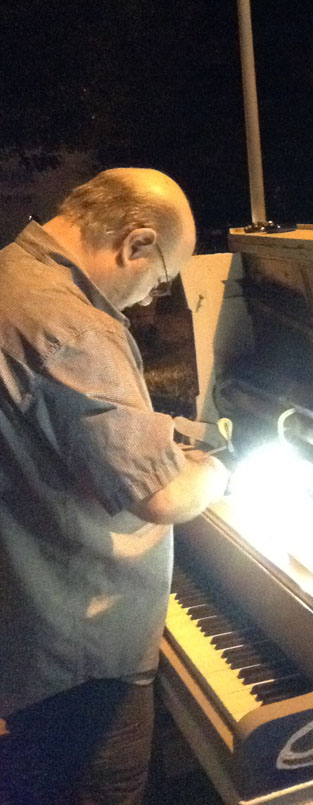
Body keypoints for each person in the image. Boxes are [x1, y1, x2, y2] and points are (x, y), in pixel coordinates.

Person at [0, 168, 230, 802]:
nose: (145, 301)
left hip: (28, 632)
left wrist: (167, 436)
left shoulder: (12, 274)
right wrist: (217, 472)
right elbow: (163, 496)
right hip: (82, 657)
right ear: (137, 243)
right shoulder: (74, 324)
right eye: (157, 283)